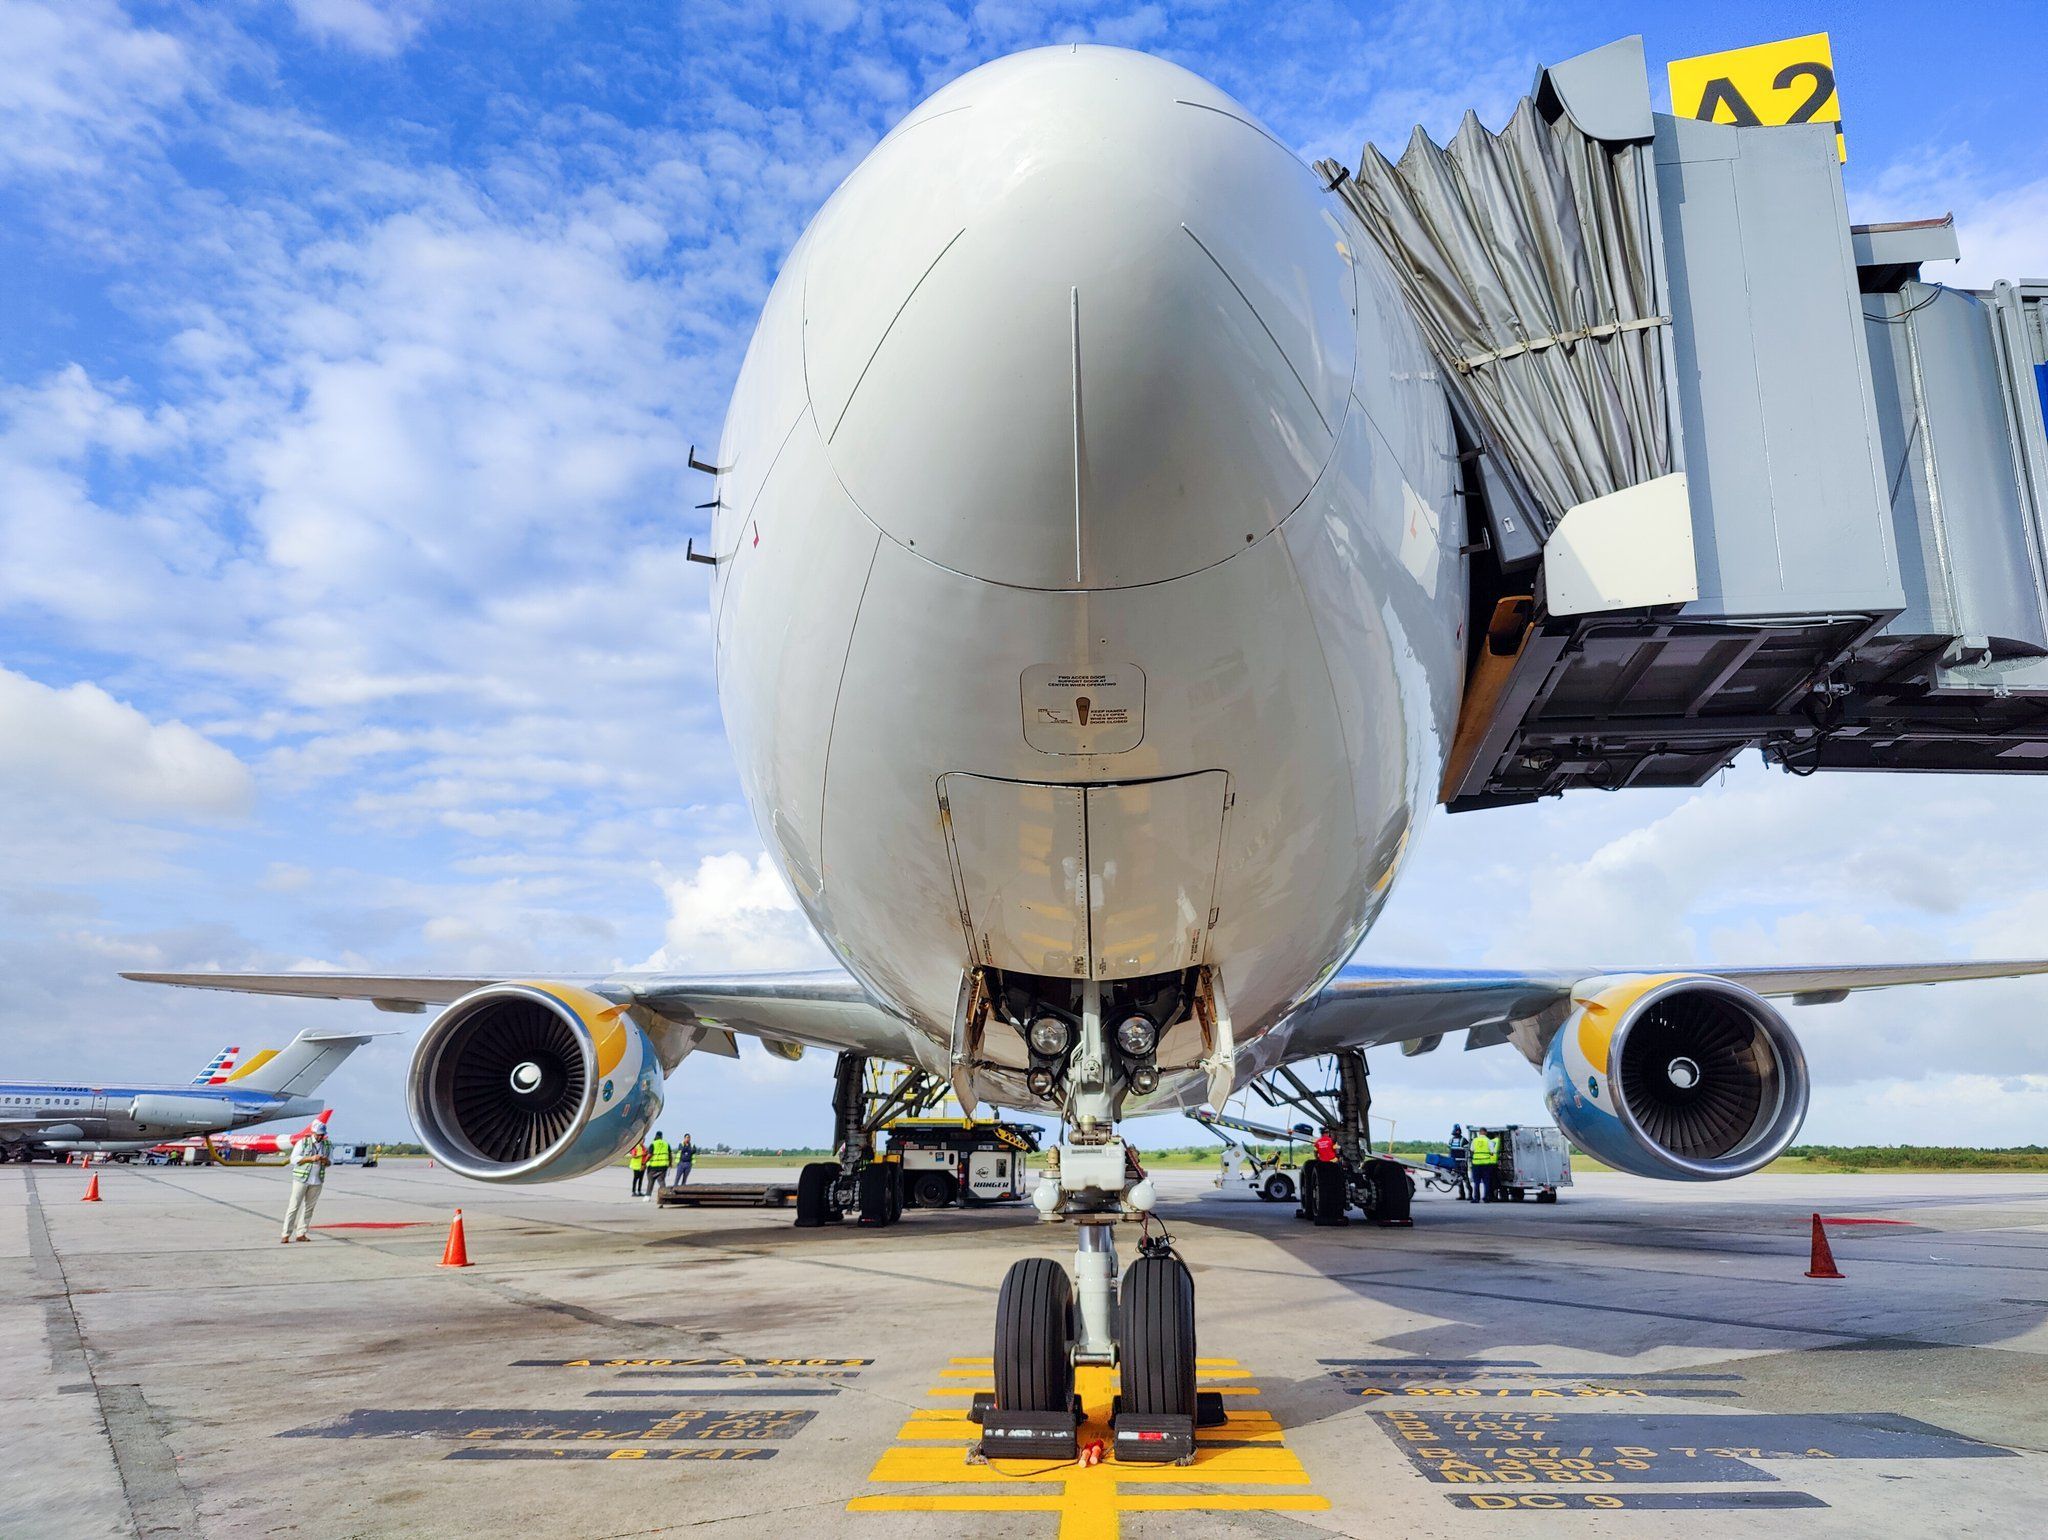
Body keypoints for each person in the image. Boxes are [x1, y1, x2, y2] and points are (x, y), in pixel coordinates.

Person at [280, 1118, 331, 1243]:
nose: (320, 1136)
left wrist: (325, 1160)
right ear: (313, 1133)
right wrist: (311, 1158)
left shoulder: (327, 1145)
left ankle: (301, 1233)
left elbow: (331, 1162)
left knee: (309, 1208)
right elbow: (294, 1159)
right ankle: (285, 1234)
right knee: (294, 1206)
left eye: (322, 1134)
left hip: (317, 1180)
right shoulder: (303, 1143)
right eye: (318, 1134)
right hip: (301, 1179)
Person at [1469, 1127, 1499, 1204]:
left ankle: (1476, 1198)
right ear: (1485, 1133)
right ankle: (1486, 1198)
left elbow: (1472, 1150)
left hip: (1476, 1164)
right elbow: (1492, 1151)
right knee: (1486, 1182)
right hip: (1486, 1164)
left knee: (1476, 1182)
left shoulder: (1474, 1140)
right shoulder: (1488, 1140)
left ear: (1479, 1132)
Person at [646, 1130, 672, 1197]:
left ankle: (647, 1196)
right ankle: (664, 1195)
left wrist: (644, 1163)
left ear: (656, 1136)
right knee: (661, 1181)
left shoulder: (653, 1144)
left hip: (653, 1167)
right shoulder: (666, 1144)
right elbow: (670, 1155)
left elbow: (649, 1155)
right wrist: (670, 1163)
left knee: (651, 1182)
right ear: (661, 1137)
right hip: (663, 1166)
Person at [1448, 1123, 1471, 1201]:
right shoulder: (1453, 1140)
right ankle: (1462, 1195)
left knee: (1465, 1179)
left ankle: (1470, 1194)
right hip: (1456, 1162)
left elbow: (1467, 1150)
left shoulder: (1463, 1140)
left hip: (1461, 1162)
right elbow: (1450, 1151)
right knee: (1458, 1179)